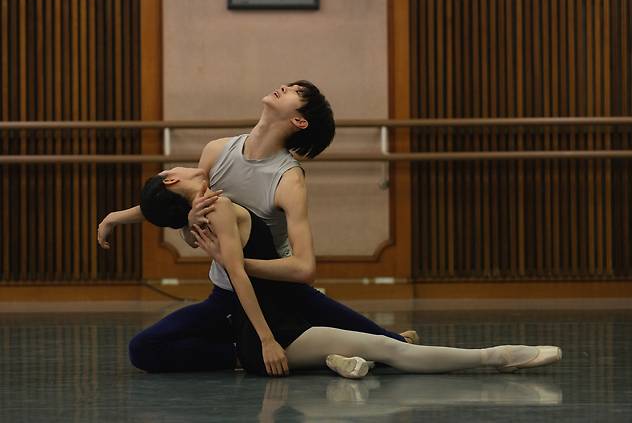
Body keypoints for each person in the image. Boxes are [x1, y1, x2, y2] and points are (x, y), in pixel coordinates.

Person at [98, 81, 418, 373]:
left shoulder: (289, 179)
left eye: (295, 91)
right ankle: (246, 355)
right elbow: (172, 198)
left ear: (299, 121)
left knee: (393, 348)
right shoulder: (217, 151)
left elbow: (304, 268)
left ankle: (385, 343)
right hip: (225, 296)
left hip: (280, 293)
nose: (284, 86)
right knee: (142, 349)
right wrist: (118, 217)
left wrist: (234, 263)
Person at [140, 166, 562, 378]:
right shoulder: (218, 211)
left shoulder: (203, 210)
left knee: (378, 344)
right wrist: (269, 341)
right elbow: (239, 279)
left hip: (287, 315)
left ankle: (337, 361)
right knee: (390, 350)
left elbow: (152, 209)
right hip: (279, 331)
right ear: (172, 177)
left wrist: (113, 219)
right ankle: (496, 357)